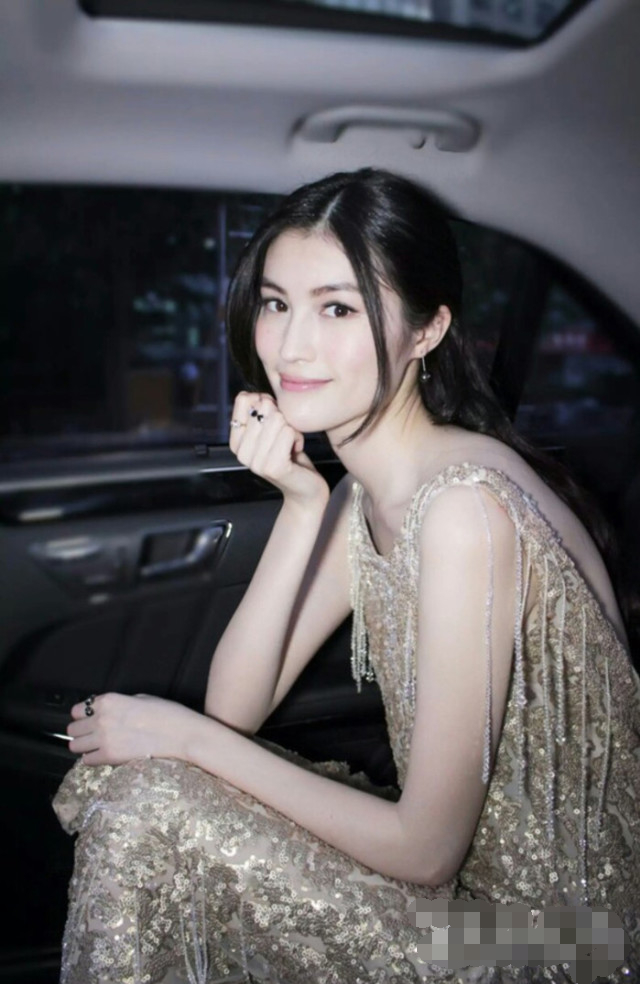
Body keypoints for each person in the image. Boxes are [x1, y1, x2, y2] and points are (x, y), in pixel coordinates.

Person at [53, 168, 640, 983]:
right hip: (469, 907)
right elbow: (234, 709)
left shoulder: (464, 510)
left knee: (148, 802)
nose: (292, 346)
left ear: (427, 330)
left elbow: (426, 852)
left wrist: (179, 735)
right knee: (149, 784)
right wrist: (300, 506)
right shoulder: (369, 490)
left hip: (565, 942)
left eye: (338, 308)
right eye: (276, 303)